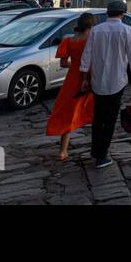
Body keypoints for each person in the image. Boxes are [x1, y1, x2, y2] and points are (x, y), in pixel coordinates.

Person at [79, 0, 131, 169]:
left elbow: (86, 58)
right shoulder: (127, 31)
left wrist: (85, 79)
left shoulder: (96, 31)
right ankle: (102, 155)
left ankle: (96, 151)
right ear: (122, 13)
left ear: (108, 13)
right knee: (110, 120)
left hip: (98, 82)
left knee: (98, 118)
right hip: (117, 82)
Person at [46, 13, 95, 161]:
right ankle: (98, 147)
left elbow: (62, 63)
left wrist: (75, 64)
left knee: (68, 113)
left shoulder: (68, 41)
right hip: (90, 78)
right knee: (93, 111)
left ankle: (63, 151)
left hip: (73, 79)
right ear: (90, 26)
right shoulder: (91, 41)